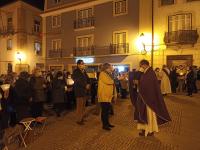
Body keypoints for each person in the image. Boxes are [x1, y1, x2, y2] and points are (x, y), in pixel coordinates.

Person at [135, 60, 171, 137]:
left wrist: (140, 86)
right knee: (143, 114)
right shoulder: (146, 72)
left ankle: (150, 130)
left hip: (148, 99)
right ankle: (144, 129)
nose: (141, 68)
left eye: (141, 66)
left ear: (144, 65)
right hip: (145, 98)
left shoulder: (150, 73)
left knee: (149, 116)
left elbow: (147, 85)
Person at [98, 63, 117, 131]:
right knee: (104, 111)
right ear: (107, 68)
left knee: (107, 111)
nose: (112, 68)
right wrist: (114, 79)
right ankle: (104, 125)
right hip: (104, 96)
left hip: (108, 96)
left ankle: (107, 123)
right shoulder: (102, 74)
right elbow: (109, 82)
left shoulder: (108, 74)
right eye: (111, 67)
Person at [72, 60, 90, 125]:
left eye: (83, 64)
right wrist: (85, 85)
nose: (83, 65)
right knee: (79, 107)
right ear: (78, 65)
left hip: (84, 91)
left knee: (83, 106)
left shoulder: (84, 71)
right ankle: (78, 120)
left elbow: (88, 78)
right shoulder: (75, 72)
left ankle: (82, 117)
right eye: (82, 64)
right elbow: (77, 81)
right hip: (79, 92)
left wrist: (88, 84)